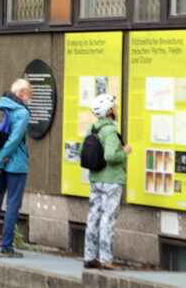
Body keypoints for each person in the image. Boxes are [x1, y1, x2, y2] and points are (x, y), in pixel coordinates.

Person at [0, 78, 32, 258]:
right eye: (30, 92)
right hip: (15, 166)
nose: (30, 97)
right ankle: (6, 247)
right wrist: (1, 162)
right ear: (22, 92)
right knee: (12, 205)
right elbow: (14, 141)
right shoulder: (22, 113)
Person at [84, 93, 130, 271]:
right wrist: (125, 152)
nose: (116, 109)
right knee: (107, 219)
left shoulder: (92, 129)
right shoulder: (110, 130)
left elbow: (83, 151)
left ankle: (89, 257)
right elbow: (111, 156)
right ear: (108, 111)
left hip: (95, 179)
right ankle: (105, 259)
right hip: (111, 180)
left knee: (93, 216)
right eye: (114, 107)